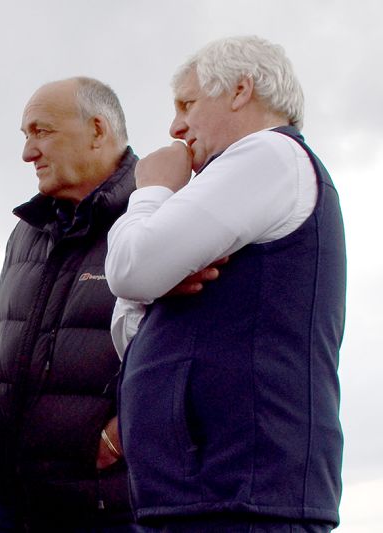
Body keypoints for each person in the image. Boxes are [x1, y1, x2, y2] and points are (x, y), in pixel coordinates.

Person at [105, 36, 346, 531]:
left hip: (241, 501)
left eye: (187, 104)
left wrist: (150, 191)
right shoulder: (248, 181)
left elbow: (130, 268)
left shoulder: (270, 155)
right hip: (202, 497)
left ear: (240, 90)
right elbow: (131, 319)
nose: (175, 127)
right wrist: (151, 280)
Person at [0, 77, 139, 532]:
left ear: (97, 130)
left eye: (41, 132)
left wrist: (127, 431)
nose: (28, 153)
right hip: (9, 504)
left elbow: (201, 351)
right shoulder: (25, 231)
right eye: (25, 136)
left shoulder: (159, 214)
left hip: (110, 509)